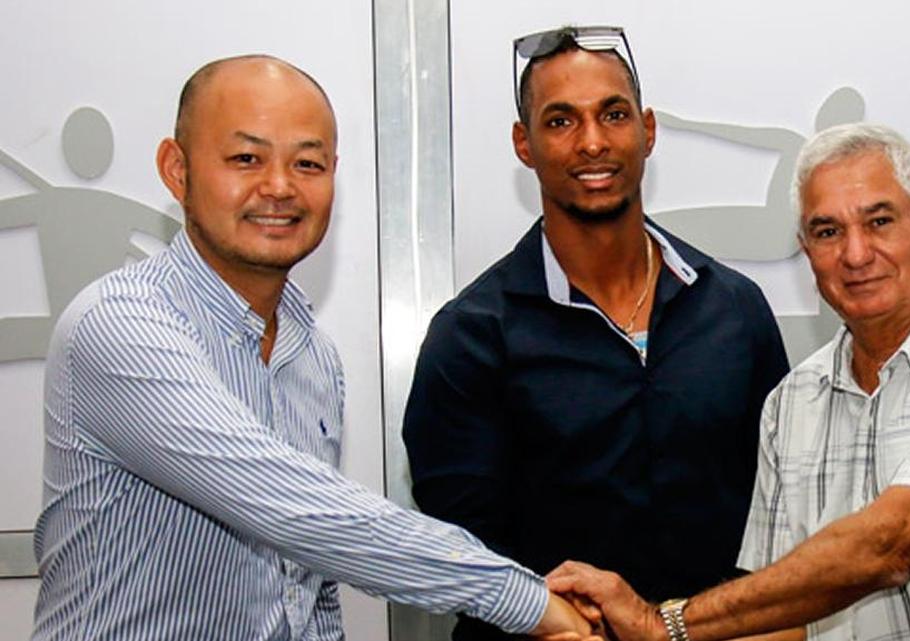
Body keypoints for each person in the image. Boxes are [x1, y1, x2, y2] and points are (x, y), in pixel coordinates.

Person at [32, 54, 597, 641]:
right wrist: (524, 599)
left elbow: (305, 590)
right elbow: (296, 510)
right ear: (177, 170)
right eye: (246, 158)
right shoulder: (120, 325)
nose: (279, 187)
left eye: (307, 163)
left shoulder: (312, 355)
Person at [547, 123, 910, 641]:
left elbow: (893, 544)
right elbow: (786, 621)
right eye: (828, 231)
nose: (856, 254)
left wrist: (661, 623)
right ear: (806, 250)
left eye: (879, 221)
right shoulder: (792, 404)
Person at [402, 25, 789, 641]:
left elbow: (779, 515)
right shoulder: (471, 338)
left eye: (613, 114)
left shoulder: (735, 310)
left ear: (648, 130)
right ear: (523, 144)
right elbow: (467, 559)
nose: (592, 142)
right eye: (560, 121)